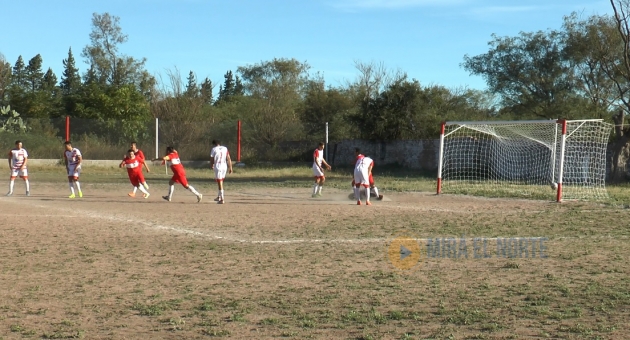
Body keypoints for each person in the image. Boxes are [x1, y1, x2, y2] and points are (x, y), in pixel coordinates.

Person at [210, 140, 233, 204]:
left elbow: (212, 159)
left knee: (220, 182)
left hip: (218, 166)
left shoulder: (214, 149)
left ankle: (222, 199)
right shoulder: (225, 148)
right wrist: (230, 167)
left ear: (214, 144)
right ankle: (219, 196)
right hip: (224, 166)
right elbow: (228, 158)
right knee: (220, 181)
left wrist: (212, 165)